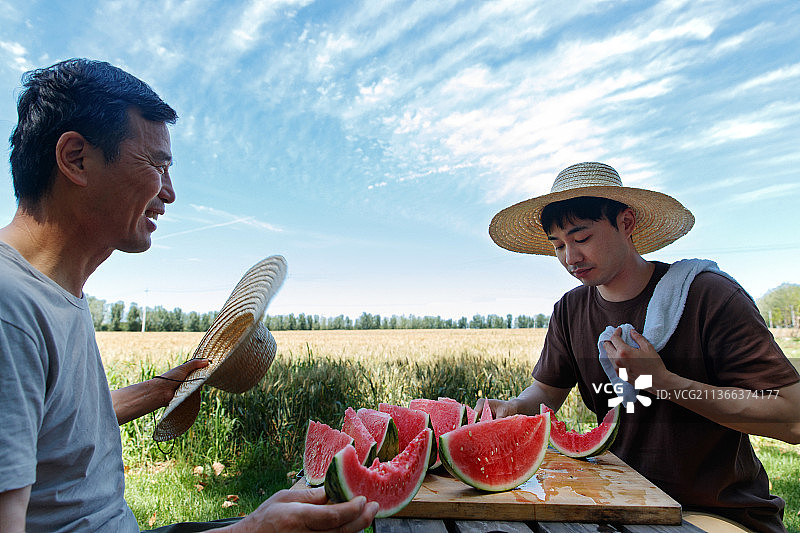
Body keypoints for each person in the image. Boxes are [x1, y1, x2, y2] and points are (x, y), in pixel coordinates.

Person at [0, 59, 378, 532]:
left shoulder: (50, 292)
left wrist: (161, 391)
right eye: (157, 164)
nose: (170, 192)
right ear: (76, 158)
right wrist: (250, 530)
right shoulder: (9, 307)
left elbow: (49, 426)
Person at [481, 162, 800, 533]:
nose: (570, 258)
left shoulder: (708, 295)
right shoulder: (570, 310)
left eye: (581, 238)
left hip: (715, 513)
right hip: (619, 503)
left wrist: (660, 380)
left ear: (626, 223)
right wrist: (513, 409)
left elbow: (792, 418)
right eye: (558, 245)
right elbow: (545, 393)